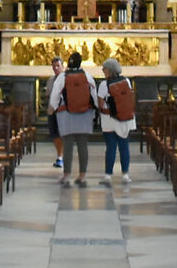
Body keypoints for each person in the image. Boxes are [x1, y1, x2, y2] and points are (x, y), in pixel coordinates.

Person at [51, 52, 98, 185]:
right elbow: (94, 96)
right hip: (85, 114)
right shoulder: (87, 76)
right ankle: (82, 175)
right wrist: (95, 110)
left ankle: (66, 174)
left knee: (68, 146)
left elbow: (55, 95)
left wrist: (52, 108)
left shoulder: (62, 77)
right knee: (83, 146)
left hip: (67, 115)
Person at [94, 58, 137, 185]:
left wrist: (107, 111)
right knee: (124, 148)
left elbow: (100, 104)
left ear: (109, 70)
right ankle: (125, 175)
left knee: (111, 148)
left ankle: (108, 175)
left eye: (104, 69)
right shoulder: (126, 81)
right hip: (125, 118)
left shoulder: (104, 85)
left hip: (109, 120)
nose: (103, 71)